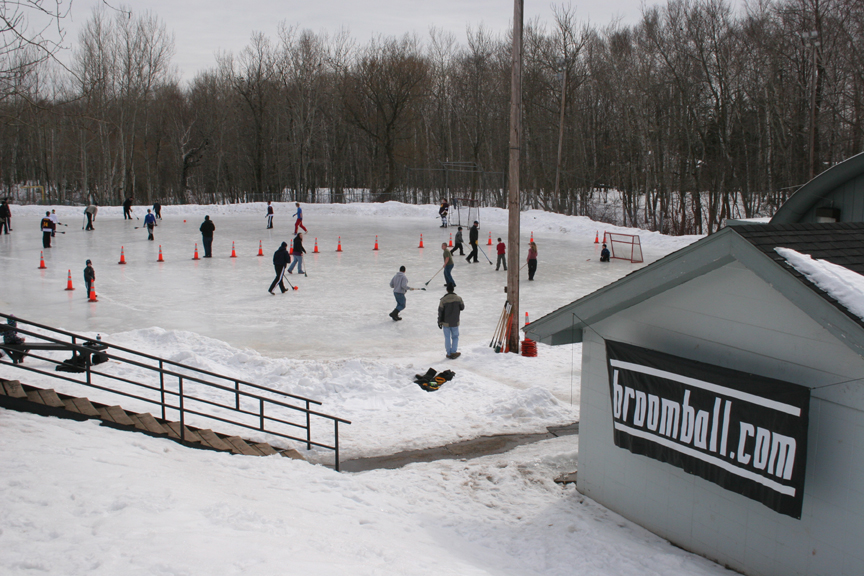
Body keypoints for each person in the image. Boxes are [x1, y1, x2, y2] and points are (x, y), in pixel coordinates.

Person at [438, 284, 464, 359]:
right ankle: (453, 352)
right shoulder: (458, 298)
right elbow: (462, 307)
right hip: (455, 322)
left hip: (445, 322)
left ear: (447, 290)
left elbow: (440, 311)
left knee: (447, 337)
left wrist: (439, 321)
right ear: (453, 289)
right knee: (455, 337)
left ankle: (448, 353)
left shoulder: (443, 300)